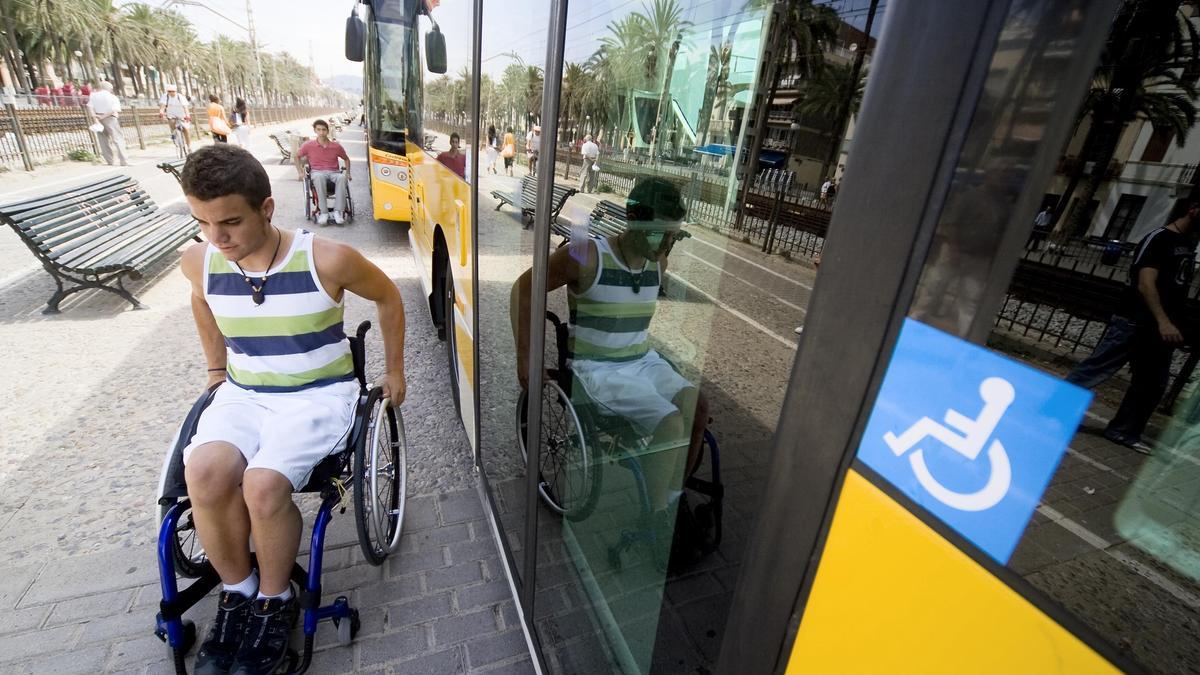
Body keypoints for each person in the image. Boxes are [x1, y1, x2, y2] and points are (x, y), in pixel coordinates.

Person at [177, 144, 406, 675]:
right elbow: (199, 296)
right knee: (203, 473)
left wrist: (395, 373)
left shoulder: (324, 258)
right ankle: (238, 595)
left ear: (266, 208)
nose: (217, 237)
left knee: (262, 485)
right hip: (245, 394)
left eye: (230, 222)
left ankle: (276, 602)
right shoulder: (201, 260)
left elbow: (389, 296)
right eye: (203, 223)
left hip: (318, 396)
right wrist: (216, 369)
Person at [512, 177, 710, 565]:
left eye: (674, 237)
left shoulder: (659, 260)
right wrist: (526, 360)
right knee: (671, 423)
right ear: (634, 220)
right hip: (598, 370)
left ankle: (669, 502)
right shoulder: (587, 255)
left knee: (698, 407)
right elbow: (525, 289)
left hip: (642, 361)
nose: (667, 245)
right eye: (660, 235)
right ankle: (659, 521)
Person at [1066, 202, 1200, 454]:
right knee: (1097, 368)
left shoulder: (1189, 243)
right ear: (1194, 209)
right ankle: (1051, 412)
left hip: (1159, 329)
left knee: (1152, 383)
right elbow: (1145, 283)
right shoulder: (1159, 239)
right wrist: (1164, 321)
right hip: (1135, 322)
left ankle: (1124, 431)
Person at [297, 119, 352, 225]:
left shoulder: (336, 146)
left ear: (327, 131)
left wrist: (348, 173)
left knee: (342, 177)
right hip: (317, 172)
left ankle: (338, 212)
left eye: (324, 130)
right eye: (319, 130)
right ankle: (324, 212)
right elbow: (297, 156)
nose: (321, 132)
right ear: (315, 131)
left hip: (334, 172)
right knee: (319, 177)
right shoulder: (308, 145)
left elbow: (346, 159)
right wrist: (300, 172)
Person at [87, 81, 128, 167]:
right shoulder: (112, 97)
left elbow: (90, 107)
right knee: (117, 139)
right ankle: (123, 160)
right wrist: (104, 116)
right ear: (109, 88)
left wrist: (95, 117)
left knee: (103, 140)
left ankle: (110, 160)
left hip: (98, 118)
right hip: (110, 118)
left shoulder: (93, 95)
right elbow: (114, 110)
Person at [159, 83, 192, 154]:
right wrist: (161, 112)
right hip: (171, 114)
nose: (171, 93)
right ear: (167, 91)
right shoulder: (165, 97)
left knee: (186, 129)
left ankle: (189, 146)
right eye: (169, 91)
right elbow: (162, 106)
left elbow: (185, 107)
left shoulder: (180, 97)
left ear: (176, 91)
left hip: (181, 114)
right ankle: (174, 134)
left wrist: (187, 115)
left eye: (173, 91)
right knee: (172, 122)